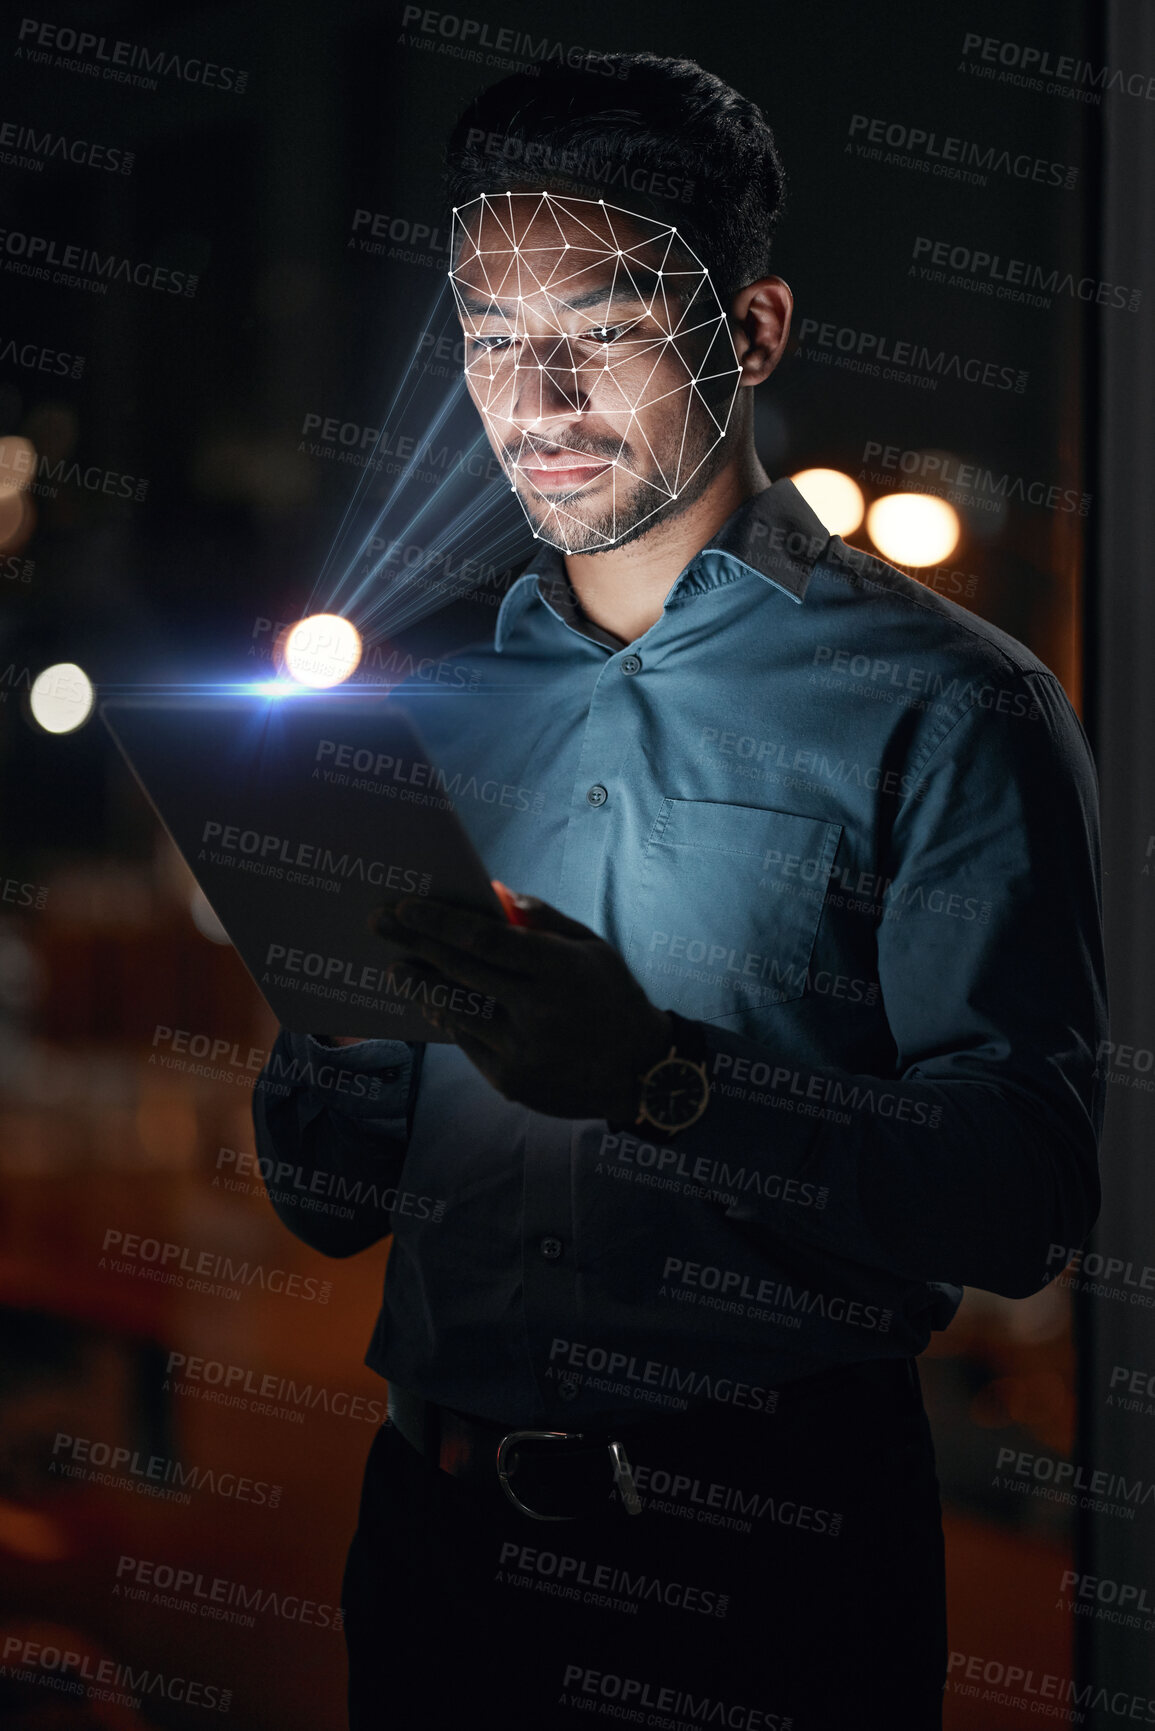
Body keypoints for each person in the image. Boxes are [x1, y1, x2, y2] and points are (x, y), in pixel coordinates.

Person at [252, 53, 1106, 1731]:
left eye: (606, 328)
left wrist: (661, 1079)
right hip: (432, 1553)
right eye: (491, 337)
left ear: (755, 332)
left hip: (767, 1574)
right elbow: (323, 1196)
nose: (537, 397)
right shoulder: (422, 715)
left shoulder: (954, 705)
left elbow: (1027, 1193)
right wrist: (338, 1032)